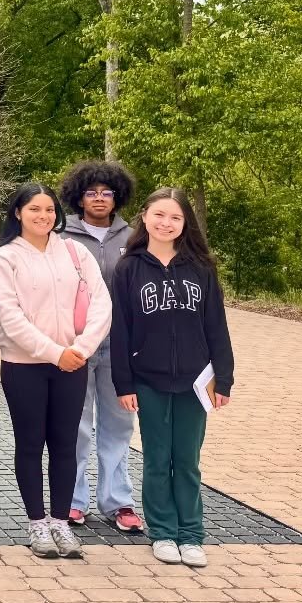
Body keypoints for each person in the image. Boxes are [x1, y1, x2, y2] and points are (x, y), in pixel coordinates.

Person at [0, 183, 113, 560]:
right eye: (34, 210)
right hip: (25, 366)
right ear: (18, 214)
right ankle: (37, 524)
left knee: (65, 444)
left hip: (73, 363)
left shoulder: (75, 252)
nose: (43, 217)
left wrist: (80, 349)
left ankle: (61, 522)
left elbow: (101, 303)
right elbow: (10, 318)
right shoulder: (3, 258)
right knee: (29, 443)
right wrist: (55, 352)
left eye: (49, 210)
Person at [111, 187, 234, 569]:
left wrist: (224, 378)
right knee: (156, 458)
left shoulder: (201, 268)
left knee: (187, 460)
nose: (166, 223)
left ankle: (191, 534)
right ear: (144, 217)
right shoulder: (129, 268)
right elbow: (121, 329)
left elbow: (216, 325)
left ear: (185, 224)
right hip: (147, 379)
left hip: (195, 381)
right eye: (159, 215)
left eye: (175, 217)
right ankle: (163, 532)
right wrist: (124, 383)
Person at [60, 160, 143, 532]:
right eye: (90, 192)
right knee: (76, 424)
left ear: (117, 196)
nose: (98, 198)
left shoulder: (134, 238)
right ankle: (73, 501)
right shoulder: (63, 236)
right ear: (78, 196)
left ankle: (118, 501)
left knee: (119, 425)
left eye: (106, 192)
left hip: (122, 346)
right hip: (77, 344)